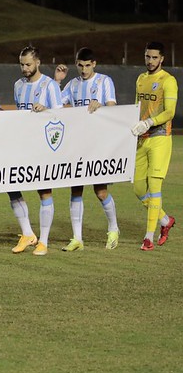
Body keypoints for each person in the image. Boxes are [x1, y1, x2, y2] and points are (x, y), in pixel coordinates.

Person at [60, 48, 120, 251]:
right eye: (80, 65)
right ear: (76, 64)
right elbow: (56, 105)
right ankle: (77, 238)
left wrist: (100, 105)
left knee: (100, 191)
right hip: (78, 144)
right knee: (75, 190)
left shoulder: (104, 81)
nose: (84, 69)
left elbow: (113, 108)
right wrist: (58, 82)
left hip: (98, 144)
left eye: (87, 65)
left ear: (94, 64)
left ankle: (113, 229)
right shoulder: (72, 84)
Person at [10, 46, 64, 256]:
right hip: (22, 145)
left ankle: (44, 241)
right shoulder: (18, 85)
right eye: (22, 64)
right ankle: (27, 233)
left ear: (38, 63)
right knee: (11, 187)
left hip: (42, 146)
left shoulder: (50, 86)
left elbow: (61, 119)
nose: (24, 68)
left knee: (44, 191)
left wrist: (46, 111)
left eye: (28, 64)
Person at [132, 41, 178, 250]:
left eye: (154, 57)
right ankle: (165, 220)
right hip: (143, 139)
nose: (150, 61)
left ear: (162, 59)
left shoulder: (168, 80)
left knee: (155, 187)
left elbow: (169, 112)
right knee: (139, 187)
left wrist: (149, 122)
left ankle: (148, 237)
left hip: (160, 137)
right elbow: (137, 107)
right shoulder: (141, 79)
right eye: (147, 57)